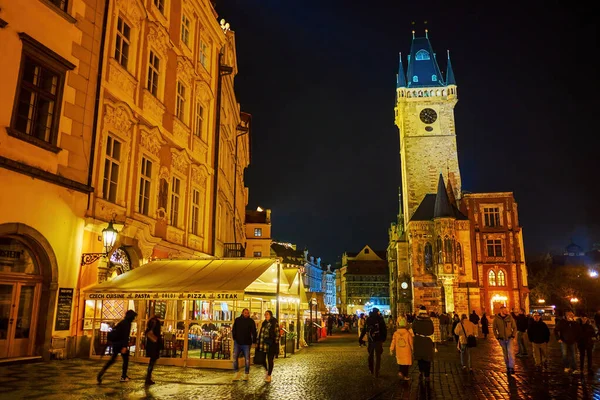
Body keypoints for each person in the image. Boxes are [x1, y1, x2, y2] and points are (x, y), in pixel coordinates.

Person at [97, 309, 137, 384]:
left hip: (115, 344)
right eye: (134, 317)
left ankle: (101, 373)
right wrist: (124, 346)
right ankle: (123, 376)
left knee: (112, 360)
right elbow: (125, 336)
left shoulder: (122, 322)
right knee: (125, 360)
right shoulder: (127, 323)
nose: (134, 318)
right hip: (121, 344)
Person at [359, 308, 387, 378]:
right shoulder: (380, 318)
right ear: (377, 312)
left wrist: (361, 338)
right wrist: (383, 338)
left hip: (370, 339)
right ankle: (376, 371)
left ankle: (371, 369)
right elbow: (384, 329)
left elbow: (365, 329)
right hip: (378, 339)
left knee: (370, 355)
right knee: (378, 356)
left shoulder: (369, 318)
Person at [232, 308, 257, 381]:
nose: (246, 314)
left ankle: (246, 373)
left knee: (247, 359)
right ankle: (236, 372)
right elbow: (234, 329)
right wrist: (235, 338)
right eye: (245, 313)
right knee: (234, 358)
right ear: (242, 313)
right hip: (238, 342)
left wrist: (254, 341)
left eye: (247, 313)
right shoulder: (237, 320)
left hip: (246, 343)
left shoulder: (251, 321)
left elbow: (254, 331)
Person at [554, 309, 581, 374]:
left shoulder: (575, 323)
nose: (570, 316)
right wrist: (558, 338)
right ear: (566, 315)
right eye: (569, 315)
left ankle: (574, 368)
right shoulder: (562, 322)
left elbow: (578, 331)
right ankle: (566, 367)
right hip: (564, 341)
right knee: (565, 355)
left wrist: (576, 339)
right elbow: (556, 330)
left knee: (573, 355)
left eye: (571, 315)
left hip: (572, 341)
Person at [412, 306, 434, 382]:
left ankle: (421, 371)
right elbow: (432, 331)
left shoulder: (416, 320)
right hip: (427, 341)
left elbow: (413, 329)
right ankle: (427, 375)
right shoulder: (429, 320)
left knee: (420, 358)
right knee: (427, 359)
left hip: (418, 340)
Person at [493, 305, 517, 374]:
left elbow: (514, 327)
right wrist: (497, 337)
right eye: (504, 310)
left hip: (509, 338)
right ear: (501, 310)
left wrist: (513, 335)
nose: (506, 311)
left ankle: (511, 367)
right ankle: (507, 367)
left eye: (506, 310)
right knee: (505, 353)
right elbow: (494, 329)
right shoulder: (496, 319)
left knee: (510, 352)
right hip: (502, 339)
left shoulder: (510, 318)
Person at [256, 310, 279, 382]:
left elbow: (277, 334)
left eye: (267, 314)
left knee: (270, 360)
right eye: (265, 314)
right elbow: (260, 333)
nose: (266, 315)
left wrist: (275, 344)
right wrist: (258, 342)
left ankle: (269, 375)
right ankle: (267, 371)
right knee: (262, 359)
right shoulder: (263, 323)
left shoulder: (274, 323)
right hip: (263, 344)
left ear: (270, 315)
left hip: (271, 345)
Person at [389, 316, 413, 380]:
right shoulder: (408, 333)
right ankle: (405, 375)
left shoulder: (396, 333)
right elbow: (411, 342)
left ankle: (400, 372)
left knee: (401, 363)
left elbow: (393, 342)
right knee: (406, 365)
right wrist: (413, 349)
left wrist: (391, 349)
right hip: (406, 351)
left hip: (399, 351)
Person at [144, 314, 162, 385]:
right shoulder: (156, 323)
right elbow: (157, 333)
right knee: (152, 361)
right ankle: (148, 377)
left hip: (150, 344)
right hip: (154, 344)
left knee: (152, 361)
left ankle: (148, 377)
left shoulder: (150, 322)